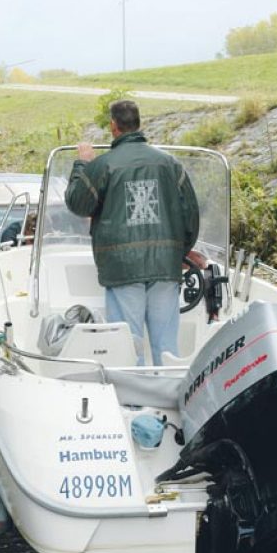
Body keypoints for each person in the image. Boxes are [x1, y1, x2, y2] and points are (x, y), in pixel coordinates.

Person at [65, 99, 200, 365]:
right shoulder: (170, 164)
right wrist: (179, 253)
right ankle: (168, 397)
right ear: (138, 123)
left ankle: (135, 405)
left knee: (128, 345)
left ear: (113, 126)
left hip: (122, 269)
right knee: (167, 349)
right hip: (165, 267)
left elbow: (78, 203)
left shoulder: (103, 165)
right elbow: (191, 215)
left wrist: (82, 165)